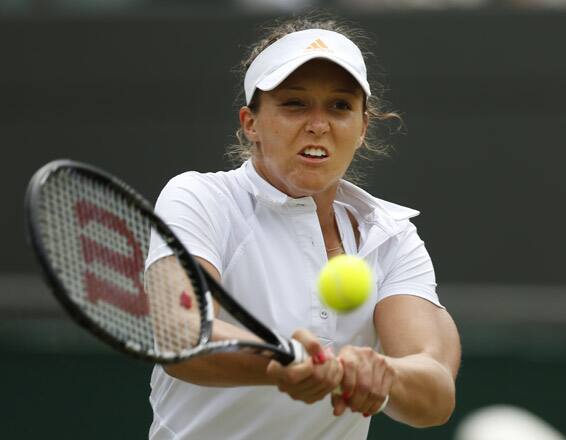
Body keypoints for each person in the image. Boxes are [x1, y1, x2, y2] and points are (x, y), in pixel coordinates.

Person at [146, 14, 461, 440]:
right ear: (250, 123)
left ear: (363, 127)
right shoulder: (199, 198)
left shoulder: (392, 235)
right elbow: (179, 334)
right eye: (294, 103)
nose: (318, 124)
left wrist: (381, 374)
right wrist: (282, 363)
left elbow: (435, 390)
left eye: (340, 106)